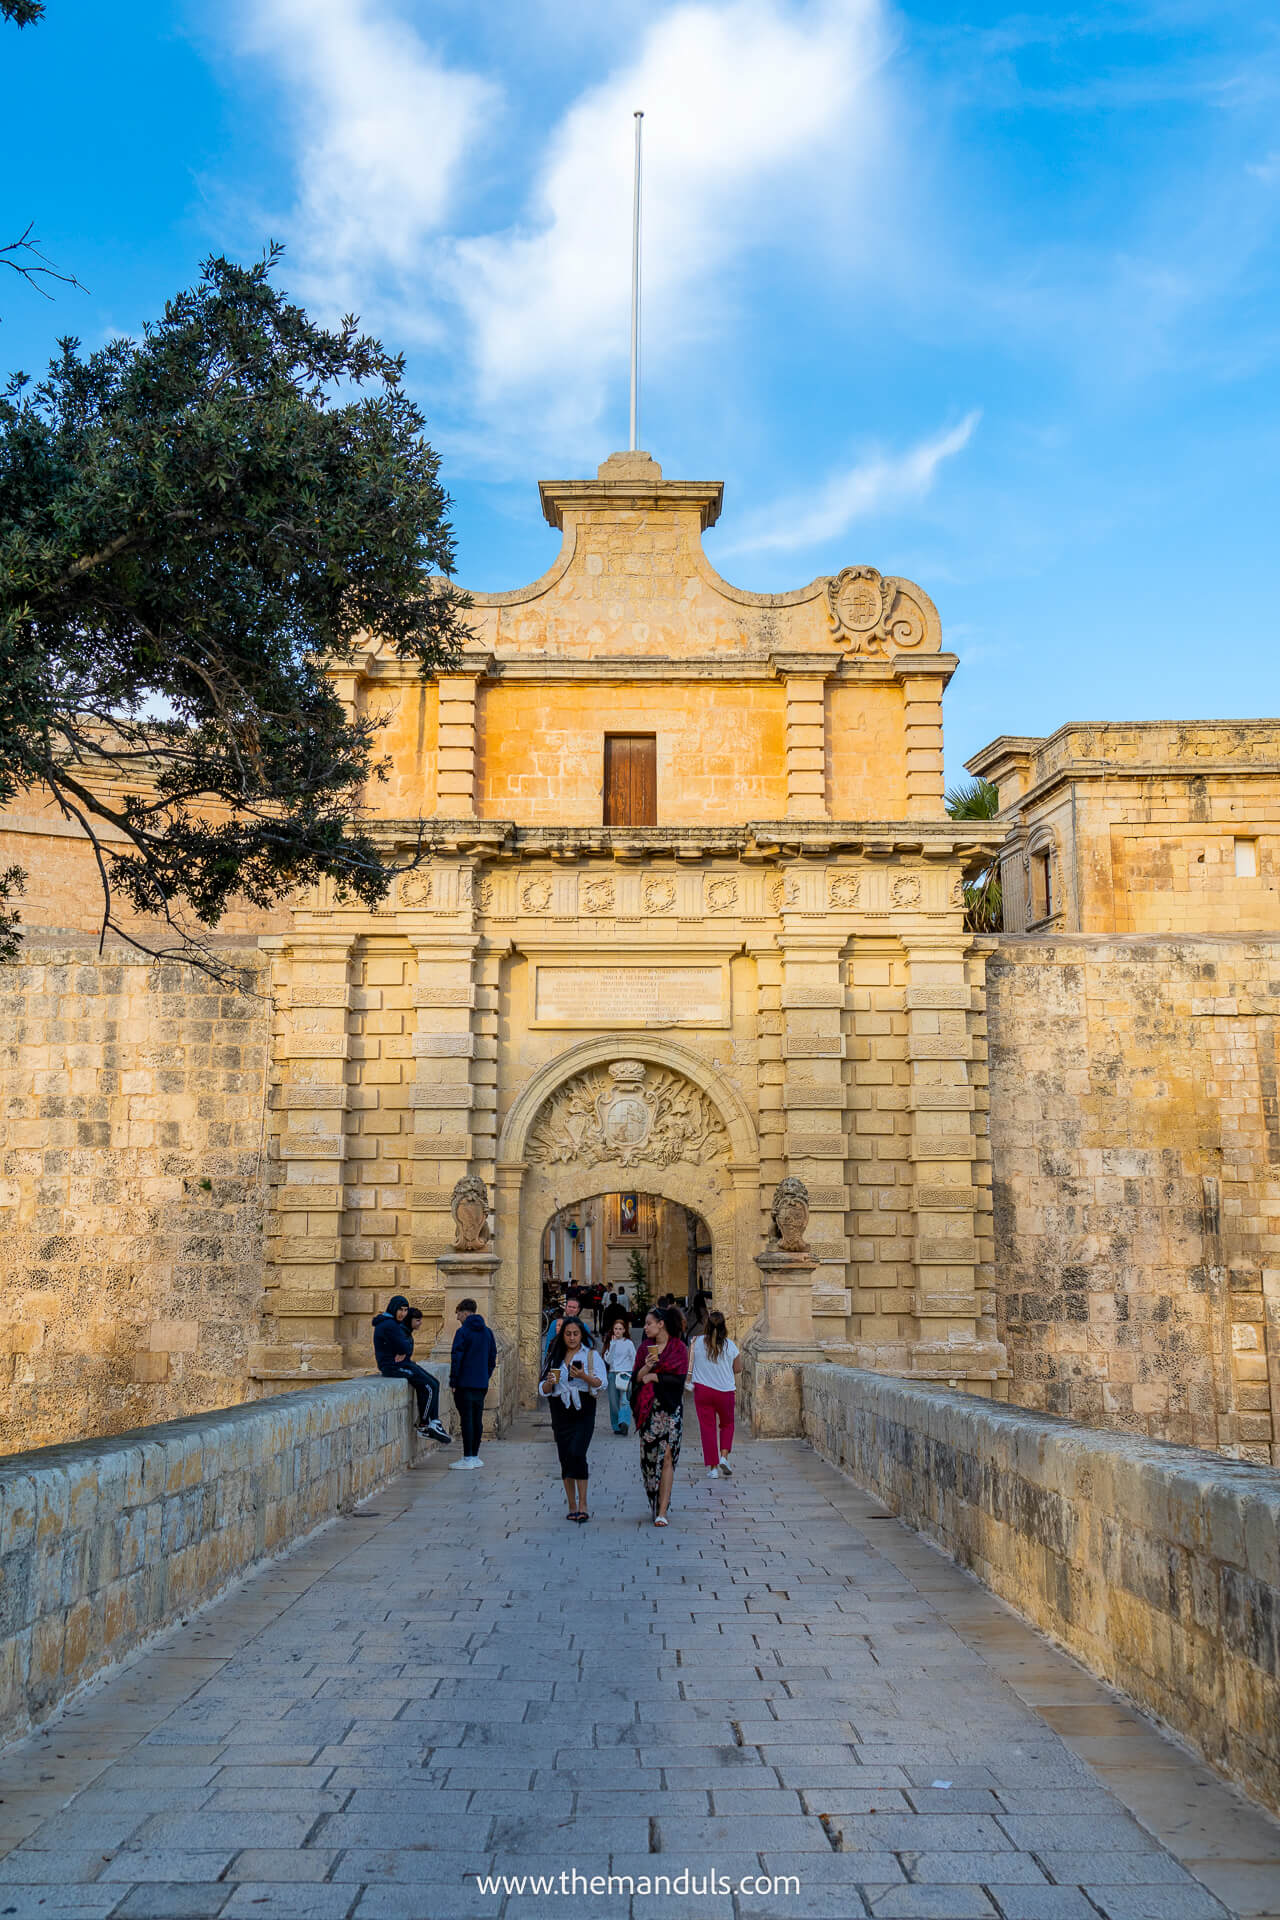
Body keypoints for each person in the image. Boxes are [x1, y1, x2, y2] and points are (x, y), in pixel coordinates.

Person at [539, 1316, 606, 1522]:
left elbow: (601, 1384)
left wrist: (583, 1376)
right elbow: (542, 1389)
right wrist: (550, 1383)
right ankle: (572, 1504)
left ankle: (583, 1503)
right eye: (568, 1334)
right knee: (565, 1456)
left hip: (583, 1408)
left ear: (581, 1335)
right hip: (560, 1409)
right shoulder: (555, 1356)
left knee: (578, 1453)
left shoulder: (591, 1355)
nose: (571, 1337)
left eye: (575, 1334)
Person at [633, 1306, 689, 1527]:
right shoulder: (644, 1348)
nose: (645, 1327)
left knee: (667, 1457)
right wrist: (646, 1368)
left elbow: (680, 1380)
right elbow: (635, 1379)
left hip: (671, 1409)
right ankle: (653, 1498)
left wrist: (657, 1376)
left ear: (661, 1324)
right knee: (649, 1461)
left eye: (648, 1323)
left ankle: (663, 1510)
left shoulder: (678, 1348)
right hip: (649, 1410)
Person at [371, 1295, 452, 1444]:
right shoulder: (389, 1325)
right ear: (393, 1309)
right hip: (392, 1367)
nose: (403, 1313)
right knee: (428, 1387)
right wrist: (403, 1348)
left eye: (405, 1310)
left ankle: (434, 1422)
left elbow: (405, 1346)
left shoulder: (393, 1324)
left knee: (434, 1383)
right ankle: (424, 1425)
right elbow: (405, 1346)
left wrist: (404, 1348)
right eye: (400, 1310)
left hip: (403, 1364)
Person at [688, 1309, 741, 1480]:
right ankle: (724, 1457)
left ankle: (712, 1468)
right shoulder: (730, 1345)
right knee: (727, 1424)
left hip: (703, 1391)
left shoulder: (696, 1342)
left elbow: (690, 1362)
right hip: (725, 1391)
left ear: (707, 1326)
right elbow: (737, 1369)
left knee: (707, 1428)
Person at [448, 1298, 498, 1471]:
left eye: (458, 1314)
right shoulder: (488, 1332)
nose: (457, 1318)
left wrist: (453, 1381)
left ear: (465, 1312)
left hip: (464, 1383)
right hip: (481, 1383)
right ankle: (475, 1456)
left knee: (466, 1420)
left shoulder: (463, 1332)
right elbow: (492, 1357)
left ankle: (467, 1456)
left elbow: (457, 1358)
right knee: (477, 1420)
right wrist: (485, 1375)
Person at [602, 1309, 637, 1436]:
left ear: (624, 1330)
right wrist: (612, 1346)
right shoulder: (610, 1343)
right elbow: (608, 1360)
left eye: (620, 1329)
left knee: (625, 1400)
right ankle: (616, 1425)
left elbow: (634, 1358)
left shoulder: (628, 1343)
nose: (617, 1331)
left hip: (625, 1374)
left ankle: (624, 1422)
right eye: (615, 1328)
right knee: (613, 1401)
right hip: (613, 1374)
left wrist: (633, 1373)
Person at [542, 1292, 594, 1367]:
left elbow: (588, 1346)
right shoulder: (556, 1323)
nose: (571, 1309)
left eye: (574, 1307)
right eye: (569, 1307)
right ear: (565, 1308)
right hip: (558, 1361)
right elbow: (548, 1344)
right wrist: (547, 1362)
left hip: (576, 1363)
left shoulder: (583, 1326)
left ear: (578, 1310)